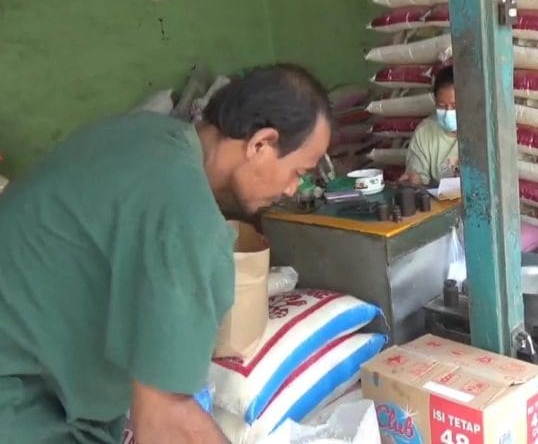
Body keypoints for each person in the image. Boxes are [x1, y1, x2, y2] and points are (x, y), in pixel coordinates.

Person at [0, 64, 331, 443]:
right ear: (261, 144)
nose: (292, 189)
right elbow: (162, 421)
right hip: (19, 403)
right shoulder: (187, 215)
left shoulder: (143, 133)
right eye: (298, 171)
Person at [399, 65, 459, 186]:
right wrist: (415, 181)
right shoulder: (425, 132)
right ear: (435, 102)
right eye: (442, 106)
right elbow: (417, 177)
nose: (448, 112)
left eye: (455, 106)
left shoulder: (484, 130)